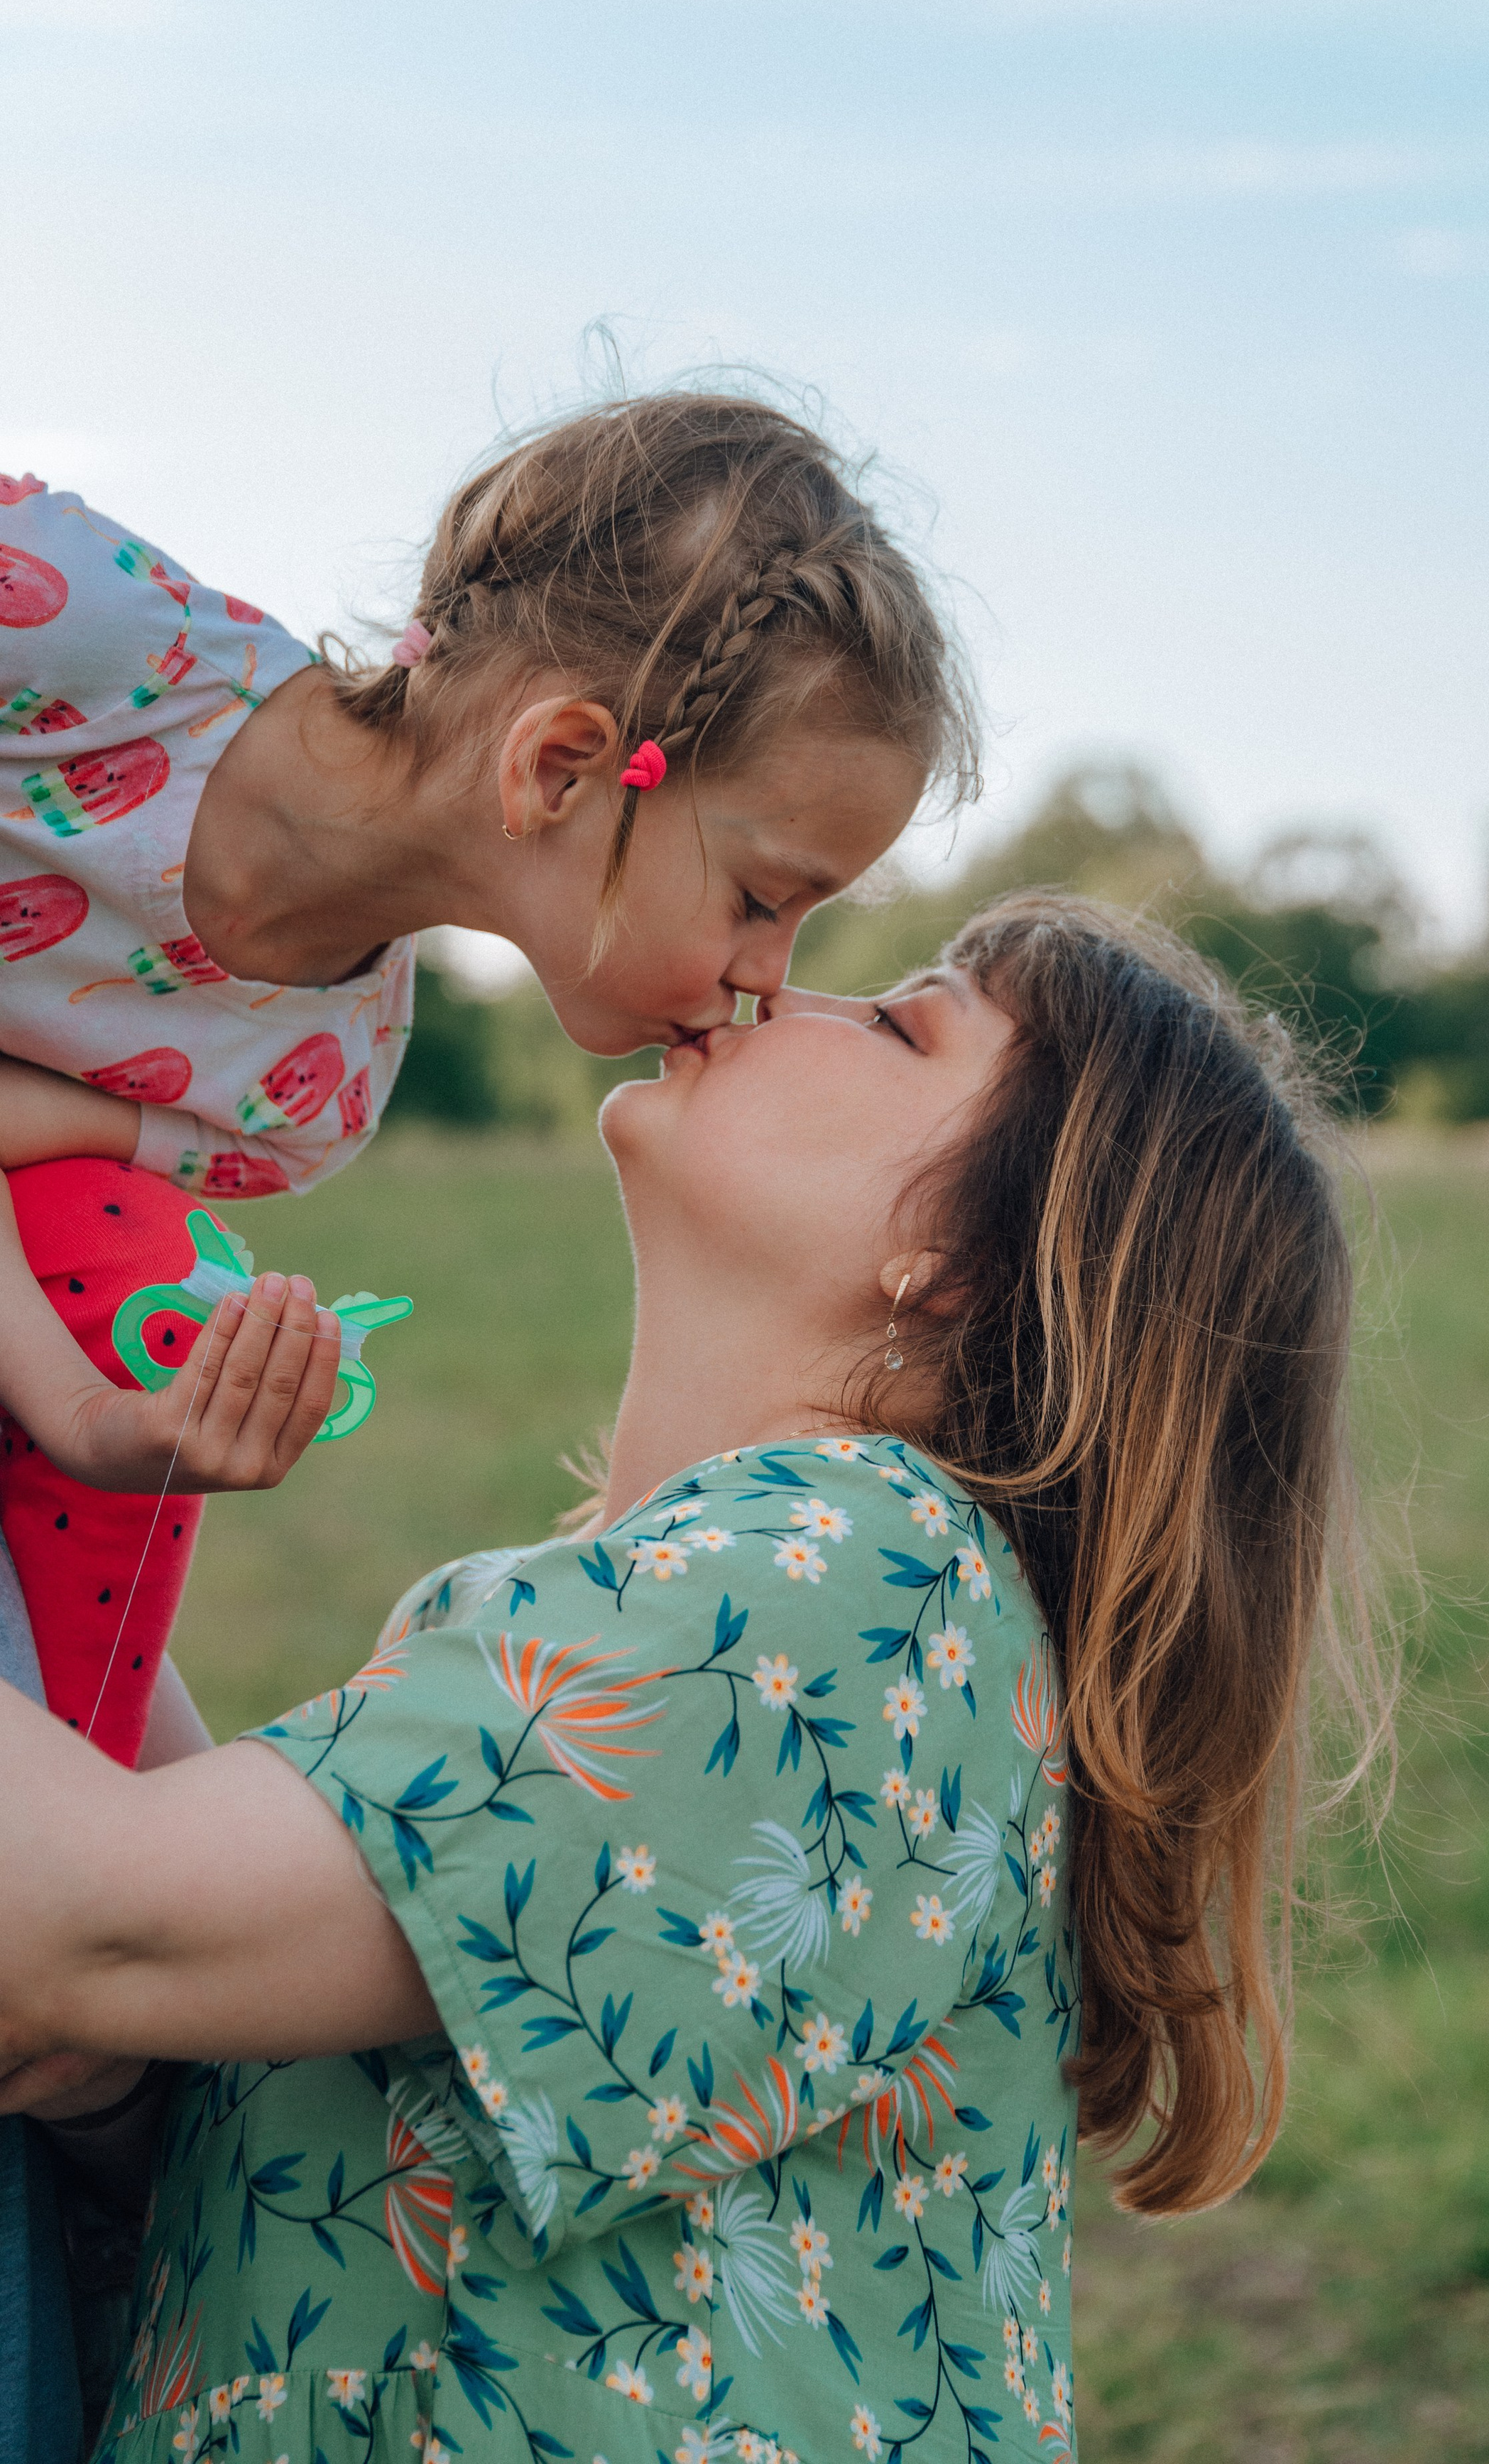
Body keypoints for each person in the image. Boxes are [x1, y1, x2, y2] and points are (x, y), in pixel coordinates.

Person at [0, 895, 1387, 2463]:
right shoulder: (604, 1616)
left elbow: (80, 1914)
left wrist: (101, 1960)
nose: (780, 988)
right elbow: (203, 2065)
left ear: (957, 1261)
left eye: (897, 1023)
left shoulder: (867, 1586)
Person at [0, 400, 971, 1765]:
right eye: (764, 899)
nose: (771, 978)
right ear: (561, 767)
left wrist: (98, 1424)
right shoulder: (70, 622)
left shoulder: (311, 1087)